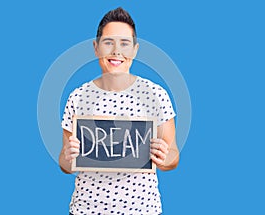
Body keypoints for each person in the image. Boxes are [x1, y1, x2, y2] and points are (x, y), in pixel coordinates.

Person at [59, 7, 179, 215]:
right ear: (96, 48)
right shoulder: (77, 97)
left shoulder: (155, 95)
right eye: (108, 43)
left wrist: (164, 157)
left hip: (143, 210)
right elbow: (65, 162)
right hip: (87, 210)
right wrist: (68, 158)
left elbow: (173, 156)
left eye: (124, 43)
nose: (117, 51)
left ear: (135, 50)